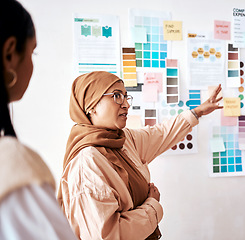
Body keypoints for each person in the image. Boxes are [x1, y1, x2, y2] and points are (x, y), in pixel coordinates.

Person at [57, 71, 223, 240]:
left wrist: (197, 112)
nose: (126, 105)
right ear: (90, 106)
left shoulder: (123, 140)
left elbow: (162, 133)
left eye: (126, 96)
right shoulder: (87, 164)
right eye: (116, 96)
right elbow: (109, 235)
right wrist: (152, 205)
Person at [0, 1, 77, 239]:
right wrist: (151, 207)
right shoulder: (12, 164)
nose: (125, 103)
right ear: (10, 53)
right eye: (32, 52)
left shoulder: (127, 142)